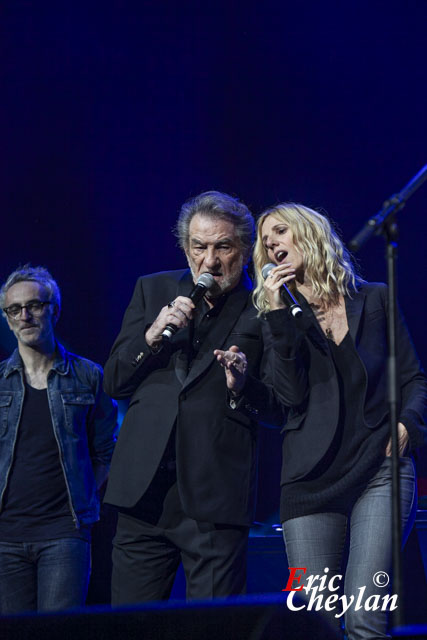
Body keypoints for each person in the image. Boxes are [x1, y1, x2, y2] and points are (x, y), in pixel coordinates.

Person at [252, 203, 427, 639]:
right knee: (318, 627)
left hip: (379, 471)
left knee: (366, 617)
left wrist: (407, 424)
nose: (270, 242)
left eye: (279, 231)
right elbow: (288, 397)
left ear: (308, 233)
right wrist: (276, 316)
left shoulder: (374, 298)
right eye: (264, 240)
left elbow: (414, 378)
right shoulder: (276, 319)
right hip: (311, 483)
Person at [103, 190, 285, 604]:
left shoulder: (264, 307)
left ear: (244, 249)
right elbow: (114, 382)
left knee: (215, 626)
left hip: (214, 499)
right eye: (199, 247)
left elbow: (280, 407)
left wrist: (243, 387)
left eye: (223, 247)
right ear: (186, 249)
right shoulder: (152, 290)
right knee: (130, 629)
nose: (210, 261)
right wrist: (150, 339)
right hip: (142, 493)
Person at [0, 265, 118, 614]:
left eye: (35, 305)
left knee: (59, 630)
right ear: (7, 319)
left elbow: (106, 449)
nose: (25, 316)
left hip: (64, 535)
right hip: (5, 536)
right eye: (14, 309)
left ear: (55, 310)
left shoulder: (88, 375)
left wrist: (80, 499)